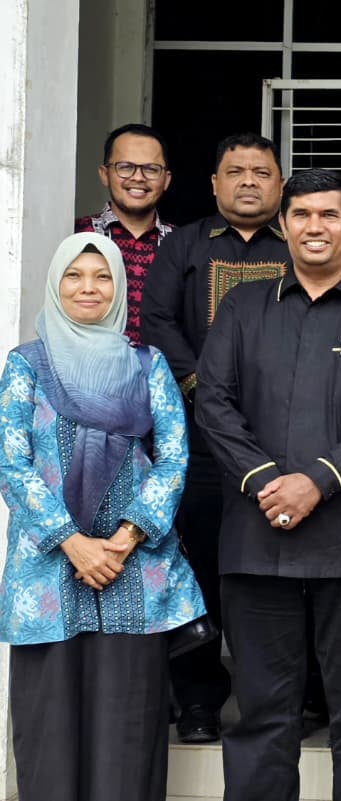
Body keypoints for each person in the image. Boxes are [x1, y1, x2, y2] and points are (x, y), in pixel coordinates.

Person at [195, 169, 341, 801]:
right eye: (301, 216)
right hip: (257, 539)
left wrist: (317, 482)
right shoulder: (242, 308)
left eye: (328, 215)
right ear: (283, 225)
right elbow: (214, 404)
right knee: (264, 714)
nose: (314, 227)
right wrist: (269, 482)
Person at [0, 232, 205, 801]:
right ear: (56, 284)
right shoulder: (27, 366)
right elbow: (11, 463)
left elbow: (174, 454)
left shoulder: (147, 364)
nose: (88, 288)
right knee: (49, 724)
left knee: (128, 724)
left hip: (132, 568)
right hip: (49, 570)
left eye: (102, 277)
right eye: (75, 276)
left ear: (119, 288)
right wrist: (72, 541)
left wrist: (127, 534)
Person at [141, 131, 290, 743]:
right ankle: (199, 702)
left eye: (261, 171)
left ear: (280, 183)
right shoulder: (183, 246)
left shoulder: (297, 245)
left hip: (283, 442)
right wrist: (207, 386)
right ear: (214, 183)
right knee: (197, 566)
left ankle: (282, 699)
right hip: (200, 441)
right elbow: (156, 320)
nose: (249, 181)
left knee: (272, 572)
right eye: (237, 171)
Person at [75, 123, 175, 344]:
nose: (138, 177)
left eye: (150, 169)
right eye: (125, 166)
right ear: (105, 174)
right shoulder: (74, 236)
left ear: (166, 179)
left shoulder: (183, 244)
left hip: (163, 374)